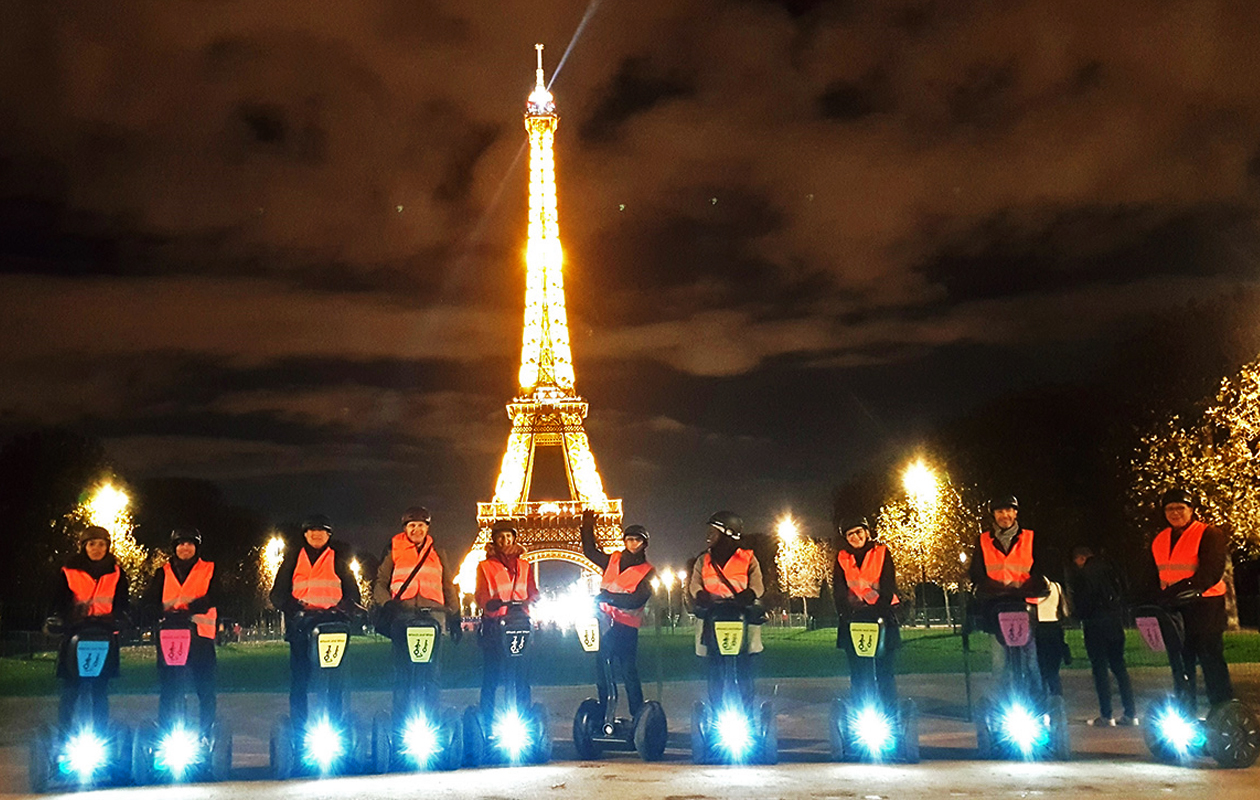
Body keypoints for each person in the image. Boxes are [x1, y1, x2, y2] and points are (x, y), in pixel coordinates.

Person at [268, 514, 362, 732]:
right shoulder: (293, 559)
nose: (316, 534)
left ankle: (334, 725)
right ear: (305, 534)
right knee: (300, 679)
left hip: (332, 625)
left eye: (321, 531)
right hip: (302, 625)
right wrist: (294, 608)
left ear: (329, 535)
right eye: (312, 530)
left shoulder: (338, 559)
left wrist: (344, 610)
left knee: (333, 678)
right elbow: (277, 594)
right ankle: (299, 726)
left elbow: (353, 594)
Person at [1141, 488, 1233, 708]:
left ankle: (1223, 710)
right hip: (1174, 610)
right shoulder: (1160, 539)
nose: (1175, 513)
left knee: (1210, 661)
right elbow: (1154, 575)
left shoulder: (1208, 534)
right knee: (1181, 664)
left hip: (1205, 607)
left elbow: (1210, 573)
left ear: (1191, 510)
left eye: (1180, 508)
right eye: (1169, 509)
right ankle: (1186, 710)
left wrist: (1175, 592)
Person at [372, 506, 461, 719]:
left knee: (432, 672)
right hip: (403, 615)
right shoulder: (394, 551)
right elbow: (380, 582)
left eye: (421, 525)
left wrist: (455, 615)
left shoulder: (438, 553)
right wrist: (387, 603)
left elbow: (447, 584)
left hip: (433, 616)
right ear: (405, 528)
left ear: (427, 528)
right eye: (412, 525)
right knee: (403, 672)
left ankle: (430, 717)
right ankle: (402, 718)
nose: (416, 530)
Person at [143, 527, 221, 736]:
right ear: (174, 548)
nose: (185, 548)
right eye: (181, 544)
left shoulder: (208, 569)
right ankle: (167, 732)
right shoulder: (163, 572)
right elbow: (149, 601)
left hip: (200, 636)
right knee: (169, 688)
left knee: (204, 688)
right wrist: (155, 611)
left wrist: (196, 606)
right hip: (171, 636)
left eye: (190, 544)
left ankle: (206, 732)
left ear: (196, 547)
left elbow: (218, 595)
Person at [968, 495, 1049, 693]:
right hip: (996, 608)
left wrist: (1031, 586)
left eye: (1008, 511)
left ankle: (1037, 700)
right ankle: (1001, 704)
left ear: (1015, 513)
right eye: (999, 512)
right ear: (994, 515)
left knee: (1031, 662)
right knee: (999, 664)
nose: (1004, 516)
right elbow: (977, 573)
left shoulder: (1030, 538)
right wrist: (987, 588)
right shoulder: (984, 541)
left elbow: (1041, 569)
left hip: (1024, 606)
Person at [580, 509, 656, 716]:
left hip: (626, 628)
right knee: (602, 671)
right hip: (605, 624)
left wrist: (608, 598)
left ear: (644, 544)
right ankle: (605, 711)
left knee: (628, 671)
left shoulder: (647, 571)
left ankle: (637, 713)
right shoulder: (612, 560)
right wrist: (587, 525)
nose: (632, 543)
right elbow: (590, 552)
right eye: (629, 539)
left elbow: (637, 599)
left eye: (637, 540)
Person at [53, 525, 130, 730]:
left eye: (102, 545)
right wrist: (60, 618)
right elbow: (58, 602)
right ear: (84, 547)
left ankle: (100, 734)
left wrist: (121, 618)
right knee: (71, 688)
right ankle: (65, 733)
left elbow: (122, 603)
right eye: (92, 544)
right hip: (75, 632)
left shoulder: (116, 573)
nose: (97, 549)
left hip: (104, 632)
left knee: (100, 689)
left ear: (108, 547)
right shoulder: (69, 571)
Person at [686, 511, 765, 709]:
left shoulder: (748, 558)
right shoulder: (703, 560)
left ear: (728, 533)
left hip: (741, 615)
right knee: (716, 669)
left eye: (713, 531)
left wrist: (750, 594)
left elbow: (758, 584)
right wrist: (700, 594)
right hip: (713, 616)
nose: (708, 535)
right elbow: (694, 584)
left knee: (743, 668)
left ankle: (746, 709)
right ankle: (717, 709)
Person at [473, 521, 540, 716]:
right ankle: (487, 715)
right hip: (495, 623)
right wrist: (488, 603)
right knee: (492, 674)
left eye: (509, 536)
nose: (505, 540)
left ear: (514, 538)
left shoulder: (524, 565)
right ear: (494, 539)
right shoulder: (485, 566)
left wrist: (534, 598)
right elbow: (481, 592)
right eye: (501, 537)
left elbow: (532, 589)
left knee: (521, 674)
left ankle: (523, 713)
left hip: (519, 622)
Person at [832, 518, 900, 709]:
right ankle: (861, 711)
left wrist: (879, 608)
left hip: (882, 617)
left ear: (867, 533)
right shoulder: (842, 558)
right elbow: (839, 589)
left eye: (859, 532)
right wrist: (845, 612)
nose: (855, 537)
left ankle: (888, 712)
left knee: (884, 672)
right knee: (858, 673)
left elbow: (888, 584)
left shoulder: (881, 552)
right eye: (850, 534)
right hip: (854, 619)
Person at [1068, 545, 1137, 726]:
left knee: (1100, 669)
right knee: (1119, 667)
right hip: (1115, 623)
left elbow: (1083, 602)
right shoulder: (1110, 569)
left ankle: (1106, 715)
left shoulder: (1084, 574)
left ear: (1081, 558)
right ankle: (1130, 713)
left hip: (1095, 625)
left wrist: (1077, 615)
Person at [1034, 579, 1070, 697]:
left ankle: (1043, 696)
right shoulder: (1056, 586)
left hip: (1040, 627)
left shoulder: (1033, 587)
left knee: (1042, 667)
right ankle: (1056, 696)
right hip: (1055, 627)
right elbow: (1064, 609)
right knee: (1054, 669)